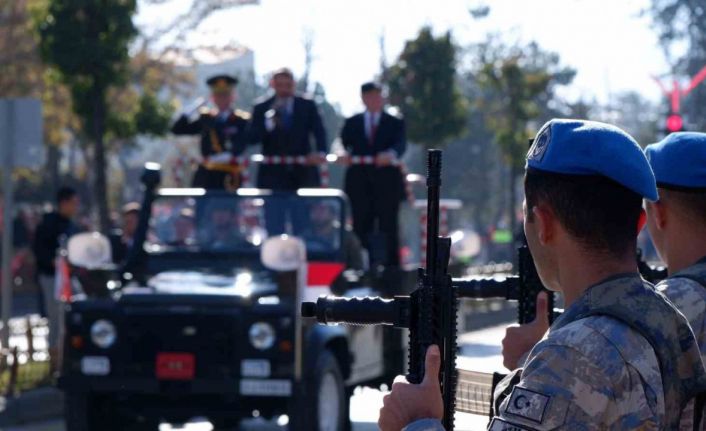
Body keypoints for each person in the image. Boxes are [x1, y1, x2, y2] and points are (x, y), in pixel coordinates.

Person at [378, 119, 706, 431]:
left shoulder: (570, 356)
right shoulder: (668, 325)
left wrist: (417, 420)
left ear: (544, 224)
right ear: (639, 224)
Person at [341, 82, 406, 269]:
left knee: (389, 227)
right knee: (361, 226)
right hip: (359, 184)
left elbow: (400, 145)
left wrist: (390, 155)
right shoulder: (352, 122)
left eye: (377, 95)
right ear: (363, 98)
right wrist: (343, 154)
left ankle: (393, 272)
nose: (374, 100)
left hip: (387, 184)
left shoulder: (395, 121)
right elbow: (343, 143)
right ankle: (360, 268)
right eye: (369, 96)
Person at [249, 68, 327, 190]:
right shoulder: (261, 107)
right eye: (280, 85)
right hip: (272, 174)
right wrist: (268, 123)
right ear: (272, 84)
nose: (284, 89)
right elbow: (252, 138)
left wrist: (320, 152)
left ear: (294, 84)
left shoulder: (307, 105)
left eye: (288, 85)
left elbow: (319, 131)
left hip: (303, 172)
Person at [171, 74, 250, 189]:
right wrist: (193, 108)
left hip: (231, 175)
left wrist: (228, 156)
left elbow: (243, 142)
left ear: (232, 96)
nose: (222, 99)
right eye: (218, 95)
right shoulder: (206, 118)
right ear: (213, 97)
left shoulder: (241, 120)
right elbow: (177, 129)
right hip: (207, 175)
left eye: (225, 95)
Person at [32, 186, 80, 370]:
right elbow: (39, 251)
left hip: (70, 278)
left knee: (76, 311)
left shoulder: (71, 226)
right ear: (64, 202)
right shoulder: (47, 224)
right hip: (52, 278)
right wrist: (55, 261)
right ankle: (55, 362)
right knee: (56, 318)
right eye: (73, 203)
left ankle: (72, 354)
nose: (76, 207)